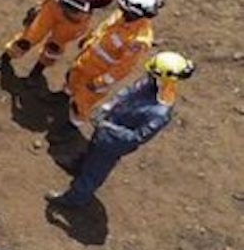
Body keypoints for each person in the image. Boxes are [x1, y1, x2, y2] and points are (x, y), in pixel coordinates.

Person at [47, 51, 195, 207]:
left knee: (96, 170)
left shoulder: (160, 113)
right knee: (91, 150)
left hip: (114, 143)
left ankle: (75, 198)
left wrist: (107, 127)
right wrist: (107, 107)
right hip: (106, 126)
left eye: (153, 73)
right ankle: (80, 166)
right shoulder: (151, 83)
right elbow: (128, 92)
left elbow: (137, 138)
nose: (148, 75)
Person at [64, 0, 162, 125]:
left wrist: (100, 82)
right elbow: (104, 28)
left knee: (81, 103)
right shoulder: (122, 15)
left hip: (98, 74)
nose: (120, 9)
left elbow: (123, 68)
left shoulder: (138, 41)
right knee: (72, 78)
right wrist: (88, 39)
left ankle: (72, 125)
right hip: (87, 60)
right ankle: (64, 96)